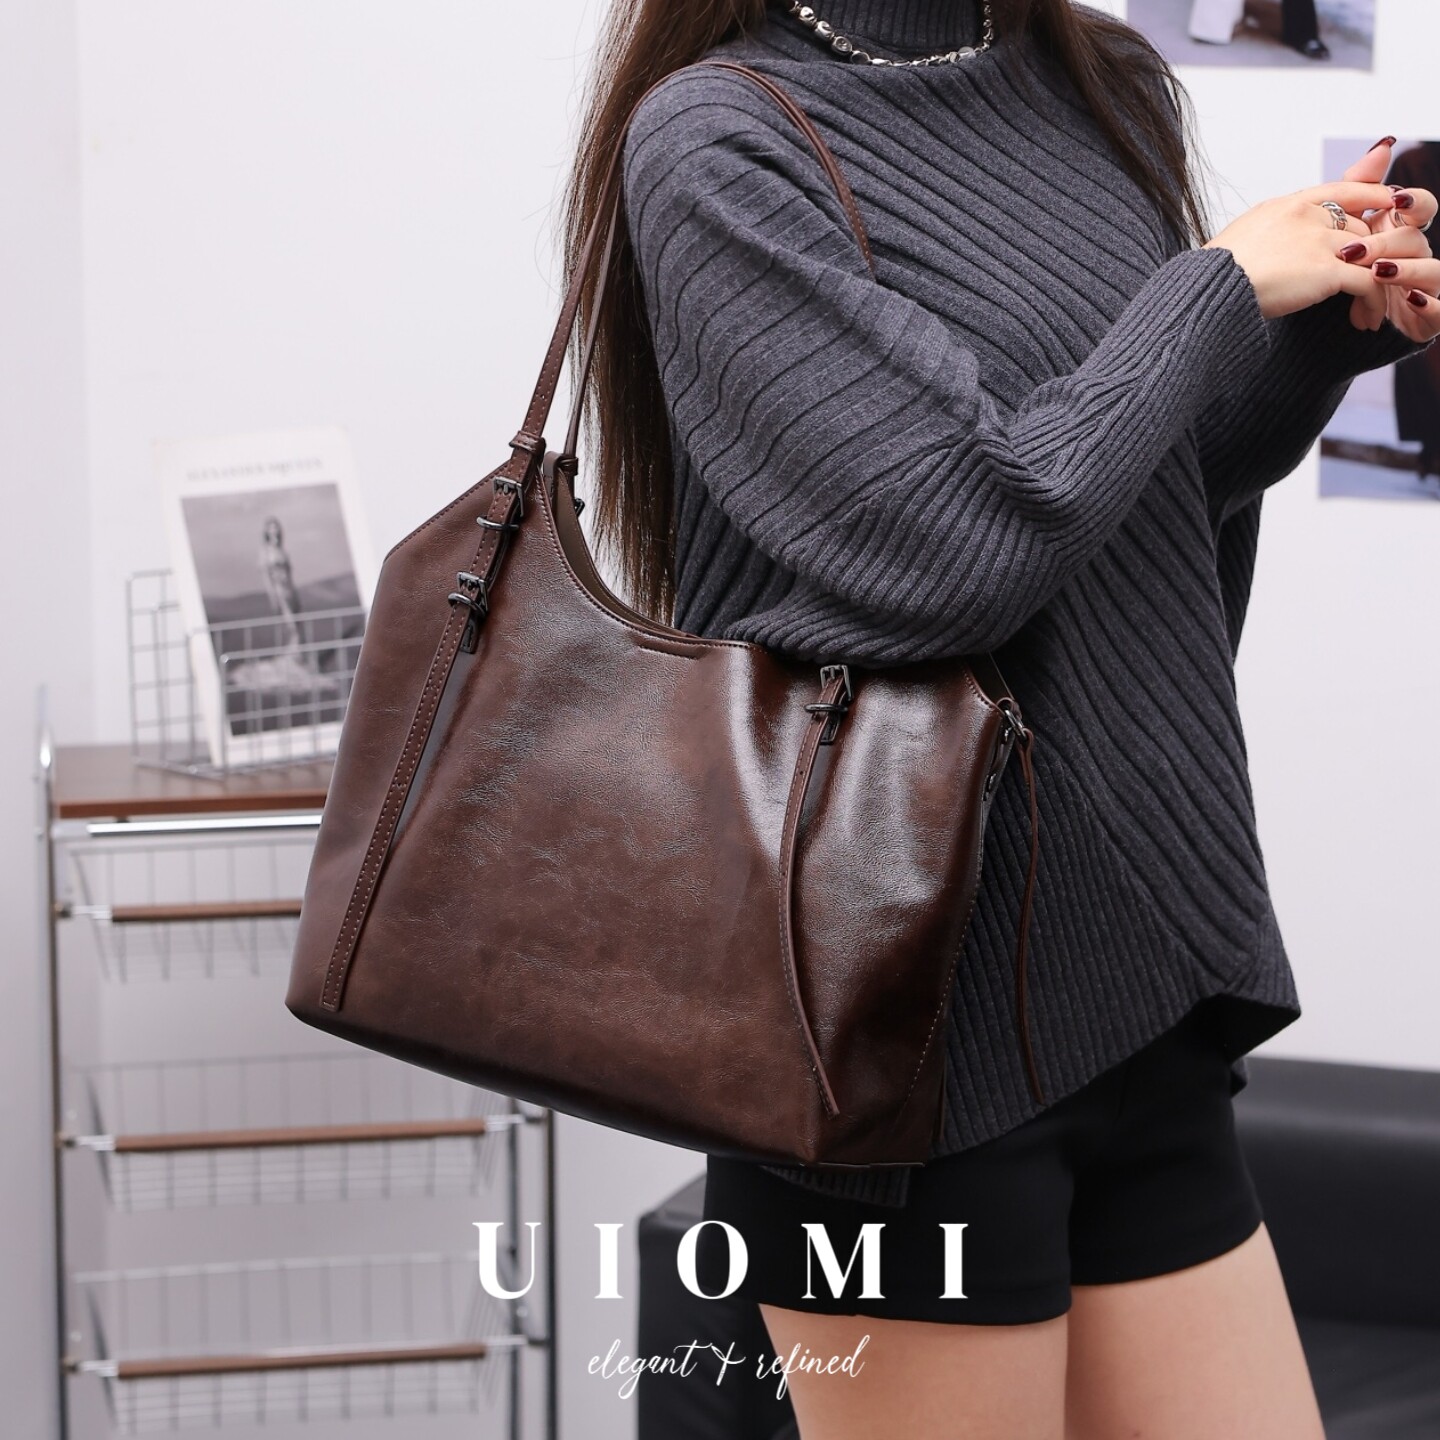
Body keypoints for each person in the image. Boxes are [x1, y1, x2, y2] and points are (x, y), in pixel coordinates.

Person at [563, 1, 1439, 1435]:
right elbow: (952, 542)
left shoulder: (1100, 77)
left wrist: (1321, 332)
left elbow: (1135, 483)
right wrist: (1220, 285)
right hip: (895, 1038)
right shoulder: (717, 140)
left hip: (1136, 975)